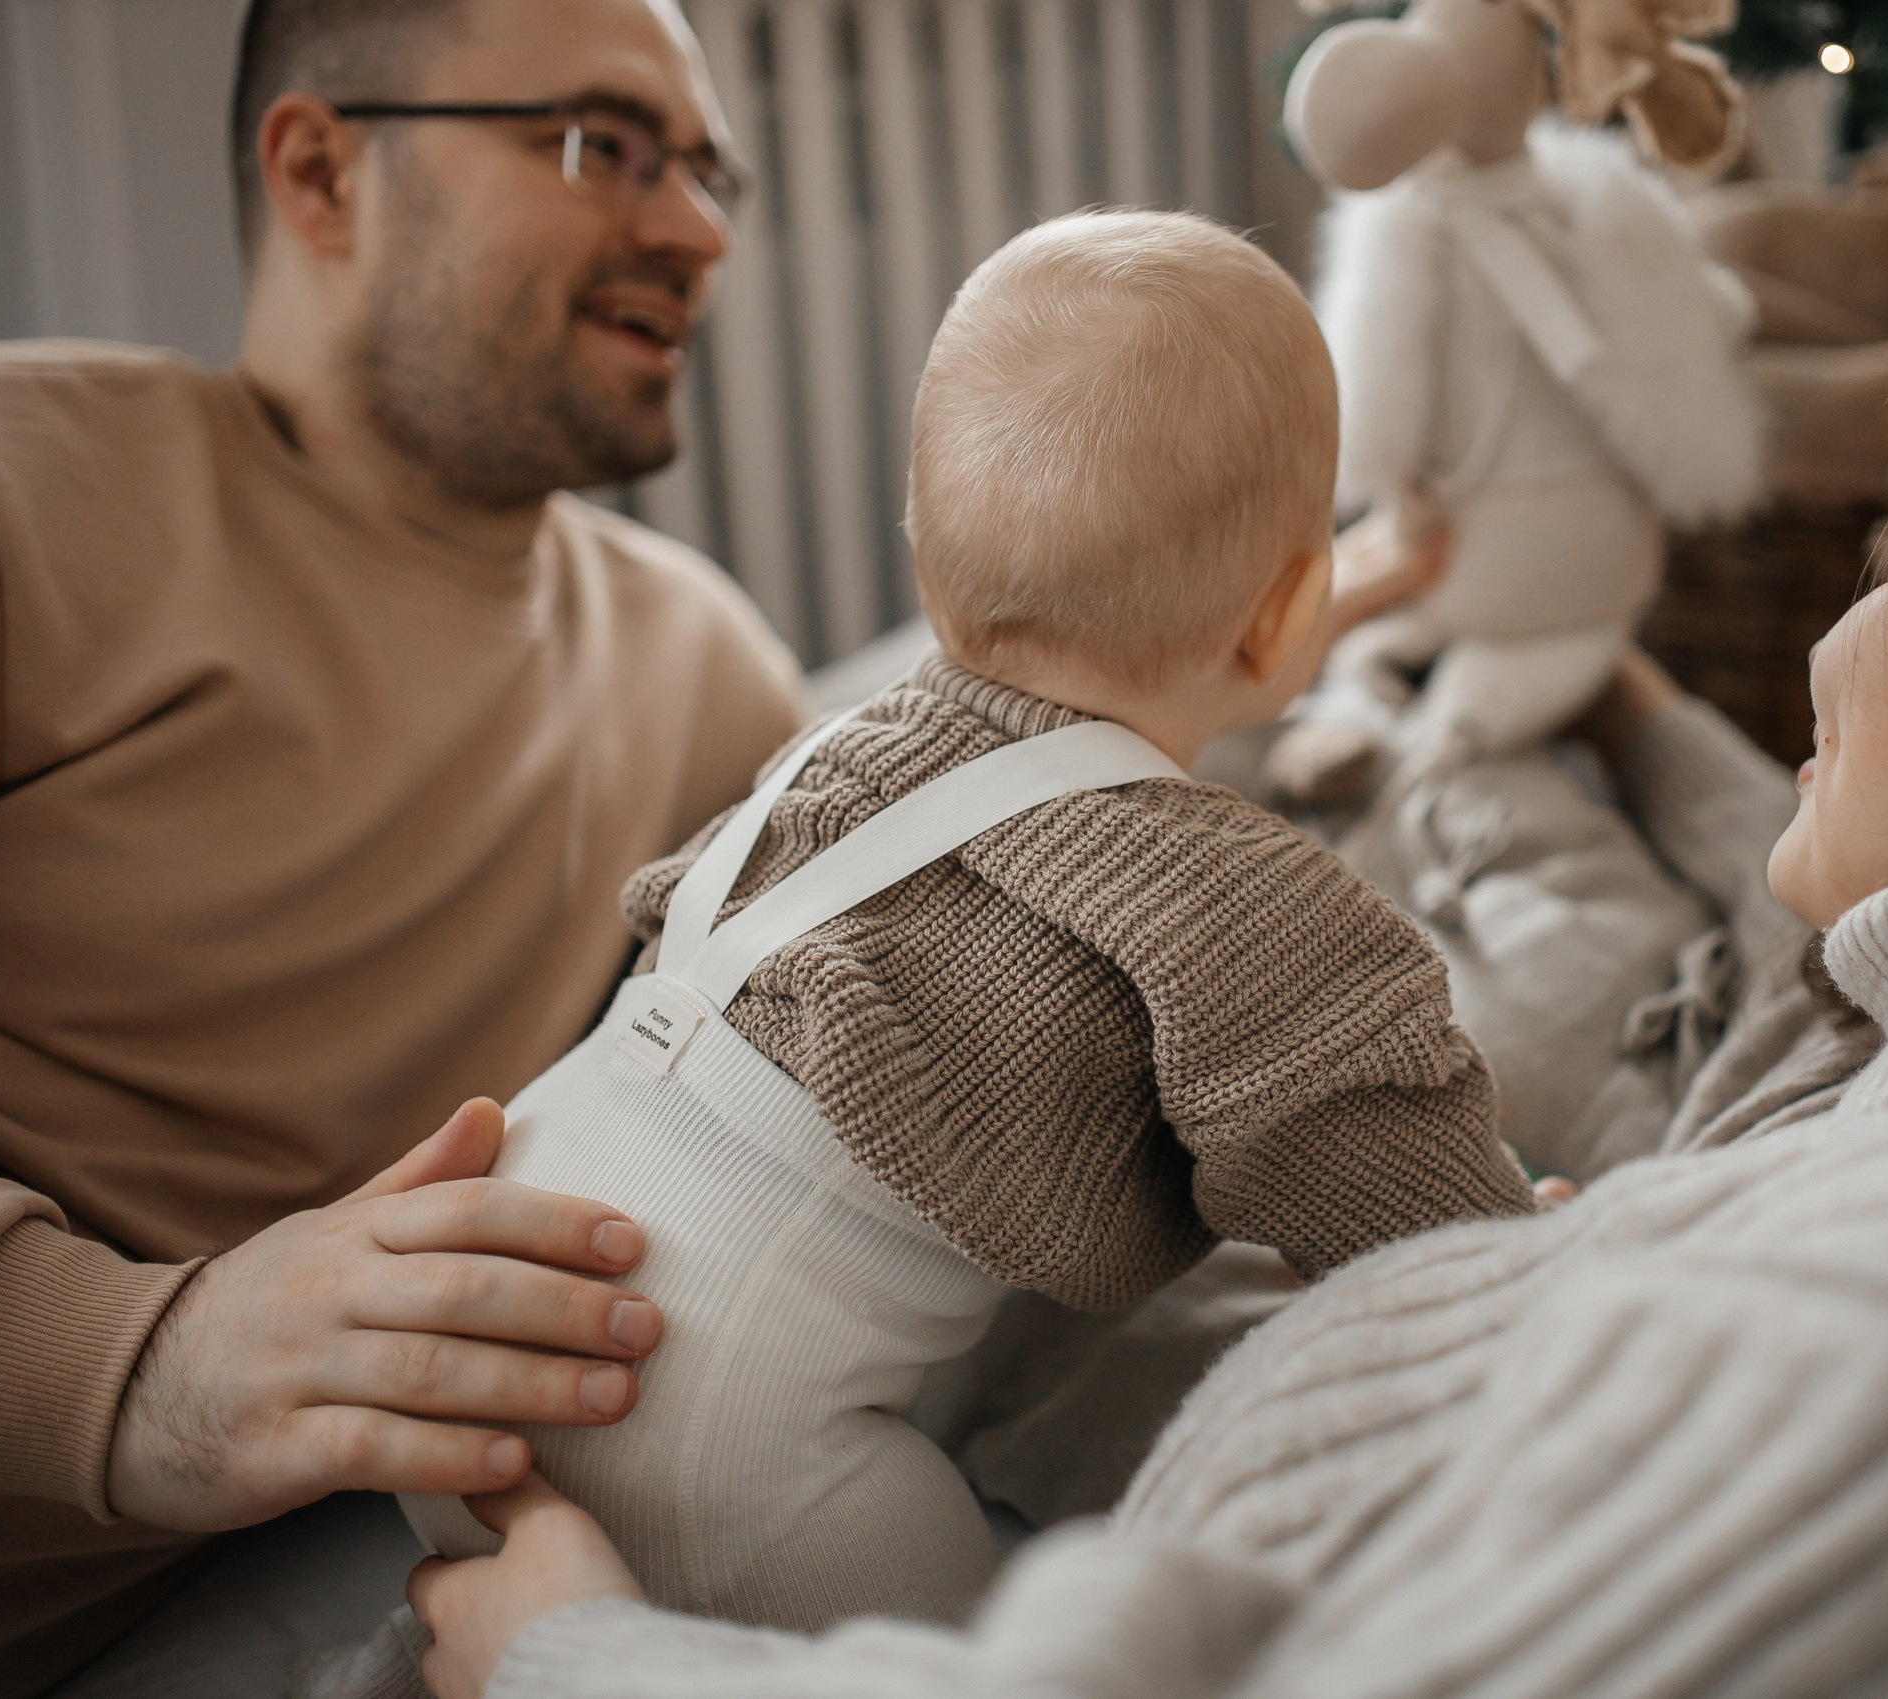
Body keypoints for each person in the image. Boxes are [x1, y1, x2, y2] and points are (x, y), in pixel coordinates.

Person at [407, 294, 1888, 1698]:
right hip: (1043, 1390)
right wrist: (1630, 697)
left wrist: (573, 1658)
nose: (1829, 651)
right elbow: (1819, 893)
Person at [357, 209, 1533, 1654]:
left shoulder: (837, 756)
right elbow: (1365, 1136)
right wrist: (1501, 1240)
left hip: (469, 1340)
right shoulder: (1235, 906)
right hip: (707, 1438)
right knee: (1001, 1658)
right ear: (1293, 611)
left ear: (924, 550)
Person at [0, 0, 813, 1692]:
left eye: (709, 169)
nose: (695, 226)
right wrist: (142, 1361)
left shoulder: (704, 671)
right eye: (602, 144)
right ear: (324, 172)